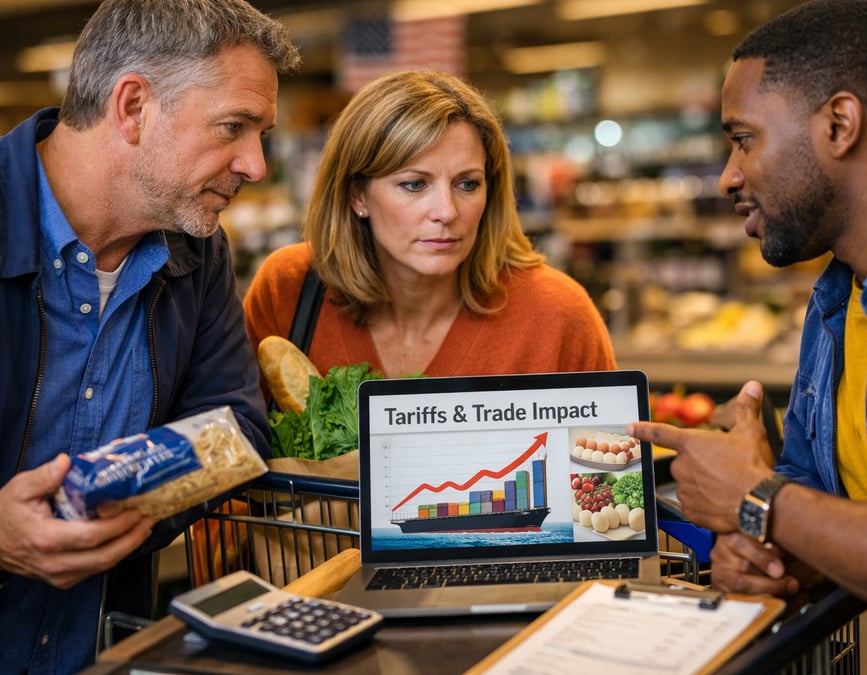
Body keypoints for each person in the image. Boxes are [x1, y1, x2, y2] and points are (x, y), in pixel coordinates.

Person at [626, 1, 867, 673]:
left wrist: (759, 500)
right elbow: (817, 501)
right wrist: (772, 554)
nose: (728, 176)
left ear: (839, 124)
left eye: (744, 138)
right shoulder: (840, 297)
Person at [0, 0, 301, 671]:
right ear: (133, 106)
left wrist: (127, 496)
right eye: (234, 127)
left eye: (262, 134)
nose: (255, 164)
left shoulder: (199, 257)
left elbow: (236, 426)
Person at [244, 70, 615, 379]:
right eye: (415, 184)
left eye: (467, 184)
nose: (447, 211)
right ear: (357, 195)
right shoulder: (288, 290)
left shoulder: (558, 314)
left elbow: (606, 465)